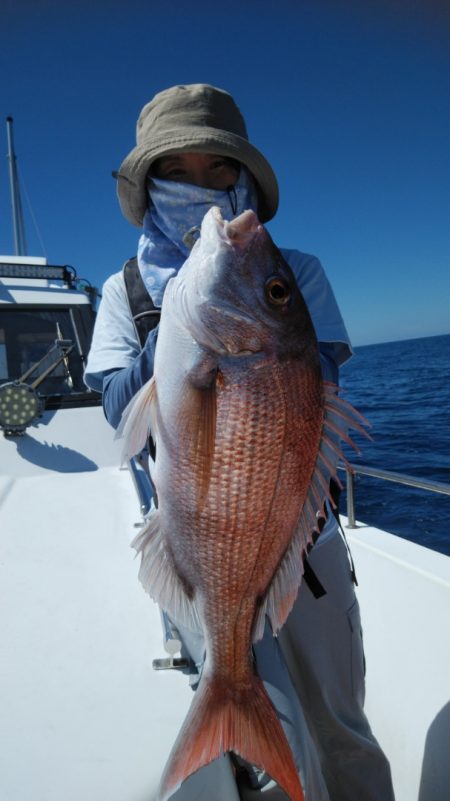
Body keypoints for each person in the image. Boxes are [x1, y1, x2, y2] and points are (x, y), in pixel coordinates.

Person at [84, 83, 395, 801]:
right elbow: (114, 407)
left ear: (245, 178)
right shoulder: (121, 292)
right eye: (179, 170)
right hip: (198, 556)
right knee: (272, 746)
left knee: (341, 724)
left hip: (303, 546)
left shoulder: (297, 271)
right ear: (149, 184)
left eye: (219, 169)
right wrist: (179, 332)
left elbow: (307, 382)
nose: (202, 185)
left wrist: (218, 328)